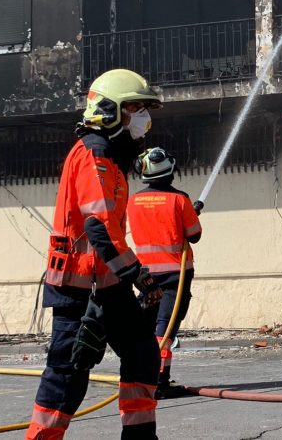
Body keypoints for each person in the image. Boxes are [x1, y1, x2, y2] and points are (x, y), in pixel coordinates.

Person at [27, 69, 165, 440]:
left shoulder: (111, 157)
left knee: (141, 354)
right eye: (135, 108)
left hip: (106, 281)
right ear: (110, 111)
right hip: (80, 284)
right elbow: (100, 227)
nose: (143, 118)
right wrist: (139, 274)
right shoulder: (95, 154)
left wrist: (131, 275)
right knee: (70, 372)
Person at [127, 147, 203, 398]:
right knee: (166, 330)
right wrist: (189, 212)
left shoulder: (133, 200)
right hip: (175, 276)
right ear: (170, 170)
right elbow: (194, 235)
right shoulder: (180, 199)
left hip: (145, 277)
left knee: (147, 326)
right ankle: (160, 382)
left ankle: (142, 377)